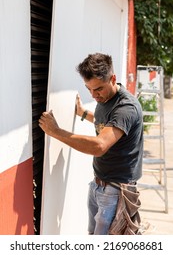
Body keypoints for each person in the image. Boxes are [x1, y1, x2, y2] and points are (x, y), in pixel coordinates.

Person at [39, 52, 143, 235]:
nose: (94, 95)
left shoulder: (126, 107)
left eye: (98, 89)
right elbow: (106, 122)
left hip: (116, 190)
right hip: (98, 185)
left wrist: (55, 131)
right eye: (89, 89)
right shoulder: (106, 99)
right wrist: (83, 113)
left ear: (113, 79)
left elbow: (99, 145)